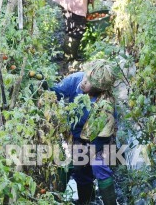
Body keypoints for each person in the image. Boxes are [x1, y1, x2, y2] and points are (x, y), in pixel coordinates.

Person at [50, 59, 117, 204]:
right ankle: (76, 200)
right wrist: (45, 86)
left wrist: (90, 151)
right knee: (71, 168)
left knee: (99, 166)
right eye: (86, 76)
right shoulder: (76, 80)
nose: (84, 81)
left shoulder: (105, 106)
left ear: (100, 89)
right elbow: (56, 92)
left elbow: (104, 137)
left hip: (97, 141)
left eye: (89, 81)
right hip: (75, 138)